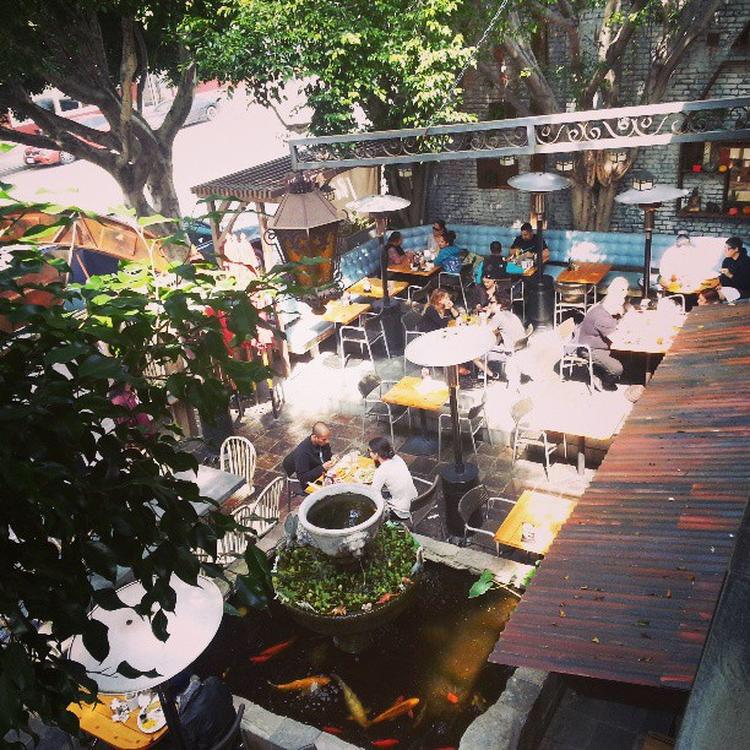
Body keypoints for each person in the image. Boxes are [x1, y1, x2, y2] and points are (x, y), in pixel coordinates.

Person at [577, 276, 629, 391]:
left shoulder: (605, 304)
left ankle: (599, 369)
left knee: (627, 357)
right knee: (617, 368)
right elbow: (618, 339)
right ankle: (603, 379)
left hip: (597, 344)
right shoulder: (602, 318)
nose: (621, 309)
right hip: (591, 350)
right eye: (620, 306)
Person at [164, 670, 236, 750]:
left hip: (215, 745)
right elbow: (230, 699)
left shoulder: (185, 721)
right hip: (232, 726)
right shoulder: (214, 681)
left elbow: (189, 747)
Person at [368, 436, 418, 521]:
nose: (369, 454)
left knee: (372, 505)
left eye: (370, 451)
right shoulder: (397, 458)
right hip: (414, 498)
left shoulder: (381, 471)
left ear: (376, 454)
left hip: (401, 510)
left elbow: (374, 493)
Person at [282, 421, 336, 489]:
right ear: (315, 437)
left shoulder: (322, 442)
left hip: (317, 470)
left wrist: (331, 459)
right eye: (324, 439)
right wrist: (322, 468)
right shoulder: (302, 453)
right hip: (307, 480)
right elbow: (303, 478)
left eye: (328, 438)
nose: (327, 441)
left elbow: (327, 455)